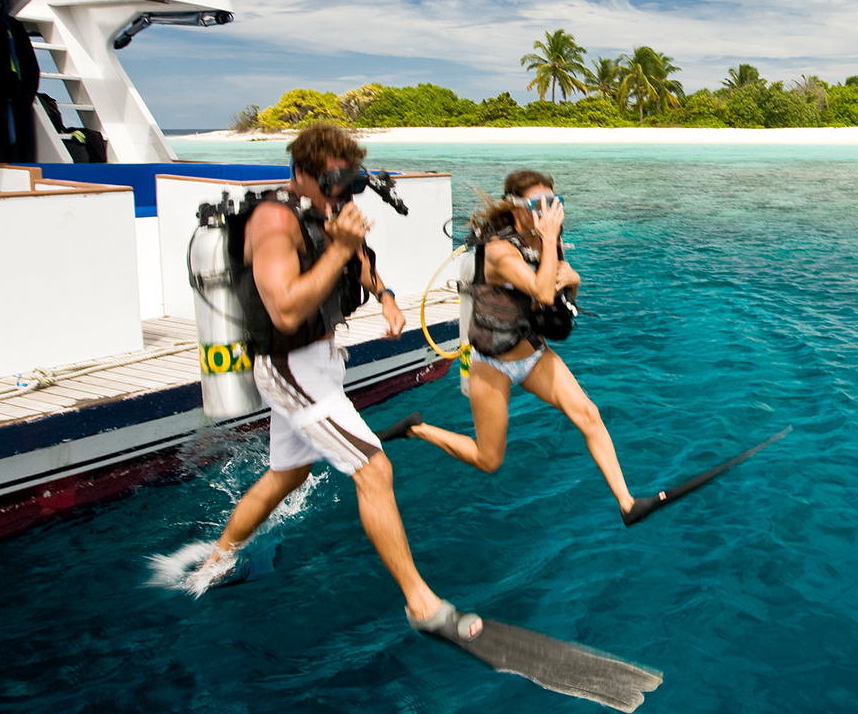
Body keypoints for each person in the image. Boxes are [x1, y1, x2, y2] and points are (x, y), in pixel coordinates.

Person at [189, 124, 480, 640]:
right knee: (373, 467)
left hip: (320, 362)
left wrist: (386, 295)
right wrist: (340, 248)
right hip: (290, 368)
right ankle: (421, 603)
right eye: (328, 183)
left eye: (347, 184)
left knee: (288, 476)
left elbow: (362, 262)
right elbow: (284, 310)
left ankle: (215, 560)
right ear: (299, 174)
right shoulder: (273, 222)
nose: (339, 194)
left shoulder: (325, 211)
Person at [379, 170, 653, 526]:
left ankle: (627, 503)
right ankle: (416, 428)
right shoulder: (498, 251)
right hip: (491, 362)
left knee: (588, 414)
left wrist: (576, 280)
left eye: (554, 202)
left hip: (532, 353)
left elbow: (556, 304)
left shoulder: (542, 241)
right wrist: (551, 238)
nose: (549, 210)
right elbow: (540, 291)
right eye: (540, 204)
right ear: (516, 206)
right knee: (489, 459)